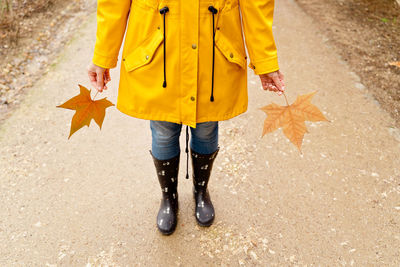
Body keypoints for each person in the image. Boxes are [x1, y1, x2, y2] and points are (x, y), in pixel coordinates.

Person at [87, 0, 285, 235]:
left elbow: (257, 4)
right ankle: (168, 197)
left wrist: (266, 61)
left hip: (213, 49)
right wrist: (102, 56)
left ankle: (201, 191)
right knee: (163, 130)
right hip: (158, 50)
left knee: (206, 127)